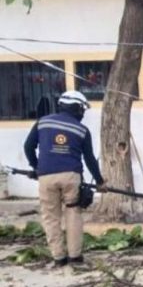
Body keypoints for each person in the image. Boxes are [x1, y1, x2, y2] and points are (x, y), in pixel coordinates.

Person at [23, 90, 105, 268]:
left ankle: (58, 258)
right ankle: (75, 257)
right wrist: (99, 181)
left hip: (46, 176)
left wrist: (36, 167)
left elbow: (28, 147)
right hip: (71, 176)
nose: (83, 114)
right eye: (82, 110)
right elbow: (89, 159)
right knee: (73, 213)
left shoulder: (42, 122)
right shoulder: (82, 130)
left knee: (51, 216)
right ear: (77, 109)